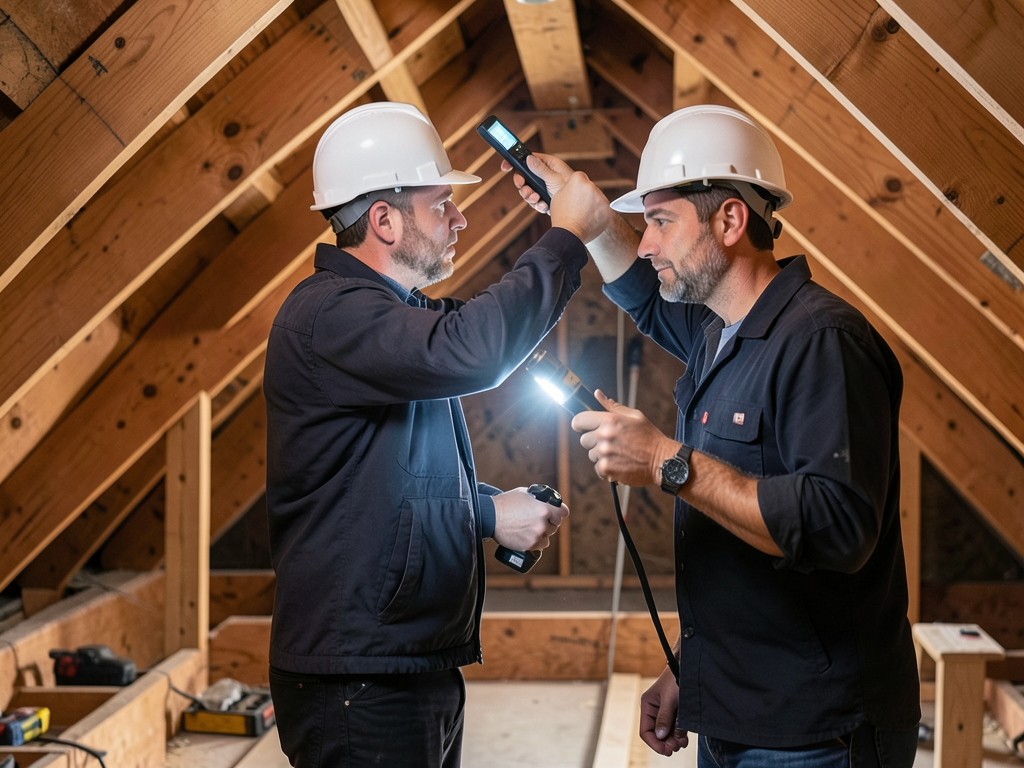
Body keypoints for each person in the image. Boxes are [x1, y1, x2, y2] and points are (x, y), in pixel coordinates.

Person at [505, 105, 920, 767]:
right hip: (737, 710)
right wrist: (695, 667)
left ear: (730, 220)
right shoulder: (719, 335)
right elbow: (641, 289)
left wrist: (669, 463)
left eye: (663, 222)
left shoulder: (821, 342)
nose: (646, 243)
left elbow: (838, 529)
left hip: (815, 734)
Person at [262, 102, 608, 768]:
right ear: (385, 220)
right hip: (359, 679)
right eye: (441, 203)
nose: (460, 218)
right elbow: (472, 349)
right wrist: (564, 237)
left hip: (402, 663)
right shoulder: (330, 315)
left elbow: (380, 481)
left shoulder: (385, 318)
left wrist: (487, 511)